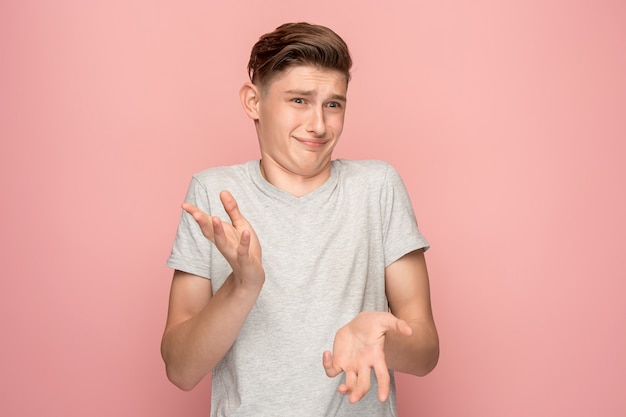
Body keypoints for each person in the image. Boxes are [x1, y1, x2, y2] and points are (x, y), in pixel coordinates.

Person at [161, 22, 439, 416]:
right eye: (299, 101)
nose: (319, 125)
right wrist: (242, 286)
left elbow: (426, 351)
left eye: (333, 104)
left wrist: (379, 341)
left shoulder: (377, 187)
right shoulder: (212, 194)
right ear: (253, 102)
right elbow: (180, 369)